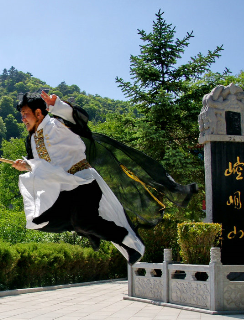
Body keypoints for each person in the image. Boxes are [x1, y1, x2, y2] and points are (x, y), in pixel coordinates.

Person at [12, 91, 146, 263]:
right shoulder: (31, 140)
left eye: (25, 114)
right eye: (22, 115)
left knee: (83, 221)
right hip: (64, 189)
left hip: (83, 181)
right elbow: (41, 166)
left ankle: (122, 236)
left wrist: (58, 106)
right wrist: (26, 166)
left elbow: (78, 119)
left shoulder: (58, 124)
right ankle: (86, 229)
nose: (23, 119)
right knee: (41, 220)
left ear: (38, 113)